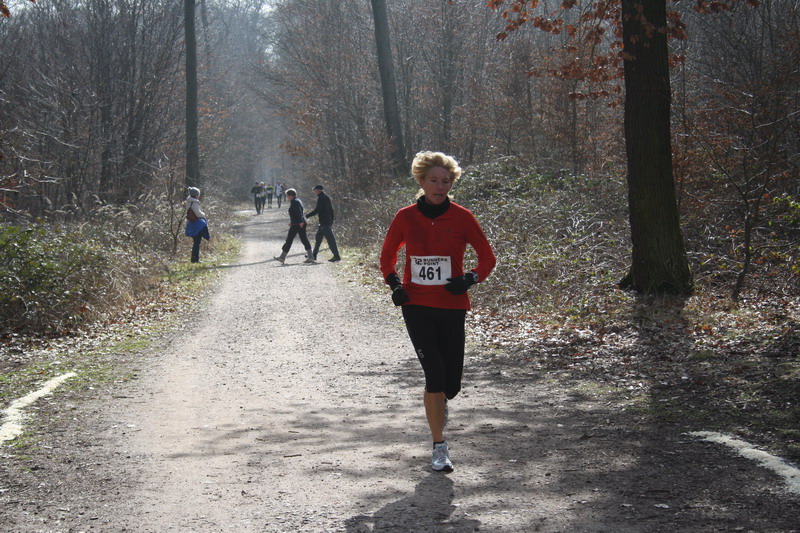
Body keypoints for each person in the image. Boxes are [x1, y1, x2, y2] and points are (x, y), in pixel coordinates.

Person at [380, 151, 496, 473]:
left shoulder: (463, 217)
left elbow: (487, 258)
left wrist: (470, 279)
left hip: (452, 307)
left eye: (446, 181)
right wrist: (395, 284)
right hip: (416, 306)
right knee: (434, 373)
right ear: (421, 182)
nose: (440, 186)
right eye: (434, 180)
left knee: (450, 385)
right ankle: (439, 446)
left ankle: (440, 400)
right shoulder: (405, 217)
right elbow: (387, 257)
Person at [274, 188, 315, 264]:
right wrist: (292, 222)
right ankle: (311, 256)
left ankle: (282, 257)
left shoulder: (295, 201)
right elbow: (295, 213)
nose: (287, 197)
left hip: (298, 224)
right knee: (303, 239)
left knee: (290, 240)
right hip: (297, 223)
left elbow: (299, 212)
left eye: (287, 196)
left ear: (291, 195)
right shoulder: (297, 200)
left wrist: (300, 221)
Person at [306, 184, 341, 262]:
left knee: (330, 239)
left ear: (318, 190)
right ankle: (313, 255)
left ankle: (336, 256)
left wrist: (307, 215)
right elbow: (331, 210)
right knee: (318, 239)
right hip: (325, 222)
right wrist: (331, 220)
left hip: (325, 222)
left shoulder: (321, 198)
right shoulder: (326, 197)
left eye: (315, 190)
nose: (314, 191)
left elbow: (317, 210)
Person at [185, 187, 210, 263]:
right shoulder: (194, 202)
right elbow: (198, 214)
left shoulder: (189, 202)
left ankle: (194, 259)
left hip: (191, 223)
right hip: (196, 224)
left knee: (196, 242)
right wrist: (203, 214)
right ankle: (195, 259)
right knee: (197, 242)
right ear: (196, 195)